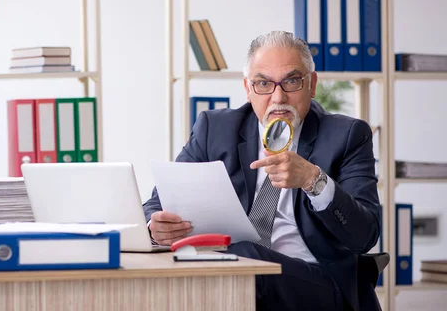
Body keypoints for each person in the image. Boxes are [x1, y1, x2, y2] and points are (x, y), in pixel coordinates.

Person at [143, 31, 381, 311]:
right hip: (229, 273)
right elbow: (158, 203)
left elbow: (365, 235)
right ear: (248, 88)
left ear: (312, 84)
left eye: (292, 81)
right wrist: (155, 227)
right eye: (263, 83)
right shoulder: (215, 129)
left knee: (244, 256)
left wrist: (313, 180)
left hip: (320, 281)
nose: (278, 96)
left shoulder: (348, 135)